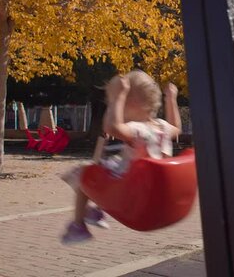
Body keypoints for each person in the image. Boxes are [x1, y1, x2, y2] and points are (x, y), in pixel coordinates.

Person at [61, 70, 182, 244]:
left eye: (113, 102)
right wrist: (171, 99)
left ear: (129, 103)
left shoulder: (138, 130)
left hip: (131, 187)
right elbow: (177, 127)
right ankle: (95, 209)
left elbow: (111, 127)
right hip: (153, 186)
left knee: (82, 174)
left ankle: (79, 226)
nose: (112, 106)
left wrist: (118, 97)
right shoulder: (162, 127)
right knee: (107, 164)